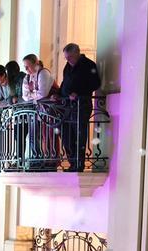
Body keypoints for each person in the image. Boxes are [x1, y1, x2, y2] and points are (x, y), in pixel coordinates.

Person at [59, 43, 101, 172]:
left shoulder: (89, 65)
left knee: (79, 134)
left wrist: (78, 94)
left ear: (77, 53)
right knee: (66, 134)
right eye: (66, 58)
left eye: (70, 57)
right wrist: (58, 95)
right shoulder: (68, 66)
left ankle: (79, 164)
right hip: (67, 106)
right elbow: (64, 83)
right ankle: (72, 162)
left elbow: (95, 83)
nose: (68, 60)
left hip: (81, 105)